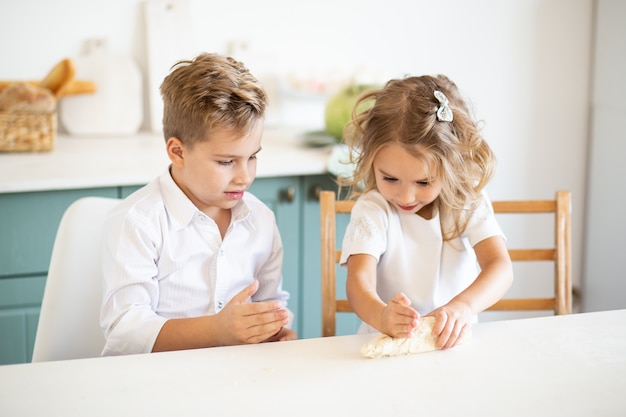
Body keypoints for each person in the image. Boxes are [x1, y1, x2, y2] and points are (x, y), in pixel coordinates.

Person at [100, 53, 297, 356]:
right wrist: (217, 330)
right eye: (226, 161)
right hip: (154, 386)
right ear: (177, 152)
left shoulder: (261, 219)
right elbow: (125, 332)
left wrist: (273, 330)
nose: (245, 176)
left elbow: (270, 303)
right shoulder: (138, 221)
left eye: (253, 157)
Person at [339, 75, 513, 350]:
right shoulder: (374, 210)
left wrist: (463, 308)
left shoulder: (466, 201)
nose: (405, 196)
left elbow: (500, 267)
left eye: (423, 182)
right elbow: (359, 282)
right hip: (386, 345)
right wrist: (382, 316)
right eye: (390, 179)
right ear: (371, 160)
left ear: (451, 167)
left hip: (452, 346)